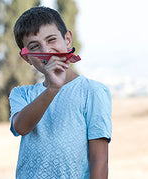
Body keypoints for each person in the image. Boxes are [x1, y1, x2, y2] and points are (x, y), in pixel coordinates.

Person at [9, 6, 112, 179]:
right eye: (35, 46)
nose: (46, 50)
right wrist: (52, 89)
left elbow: (99, 160)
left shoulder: (93, 92)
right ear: (26, 58)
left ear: (67, 39)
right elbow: (21, 127)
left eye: (51, 40)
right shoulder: (21, 94)